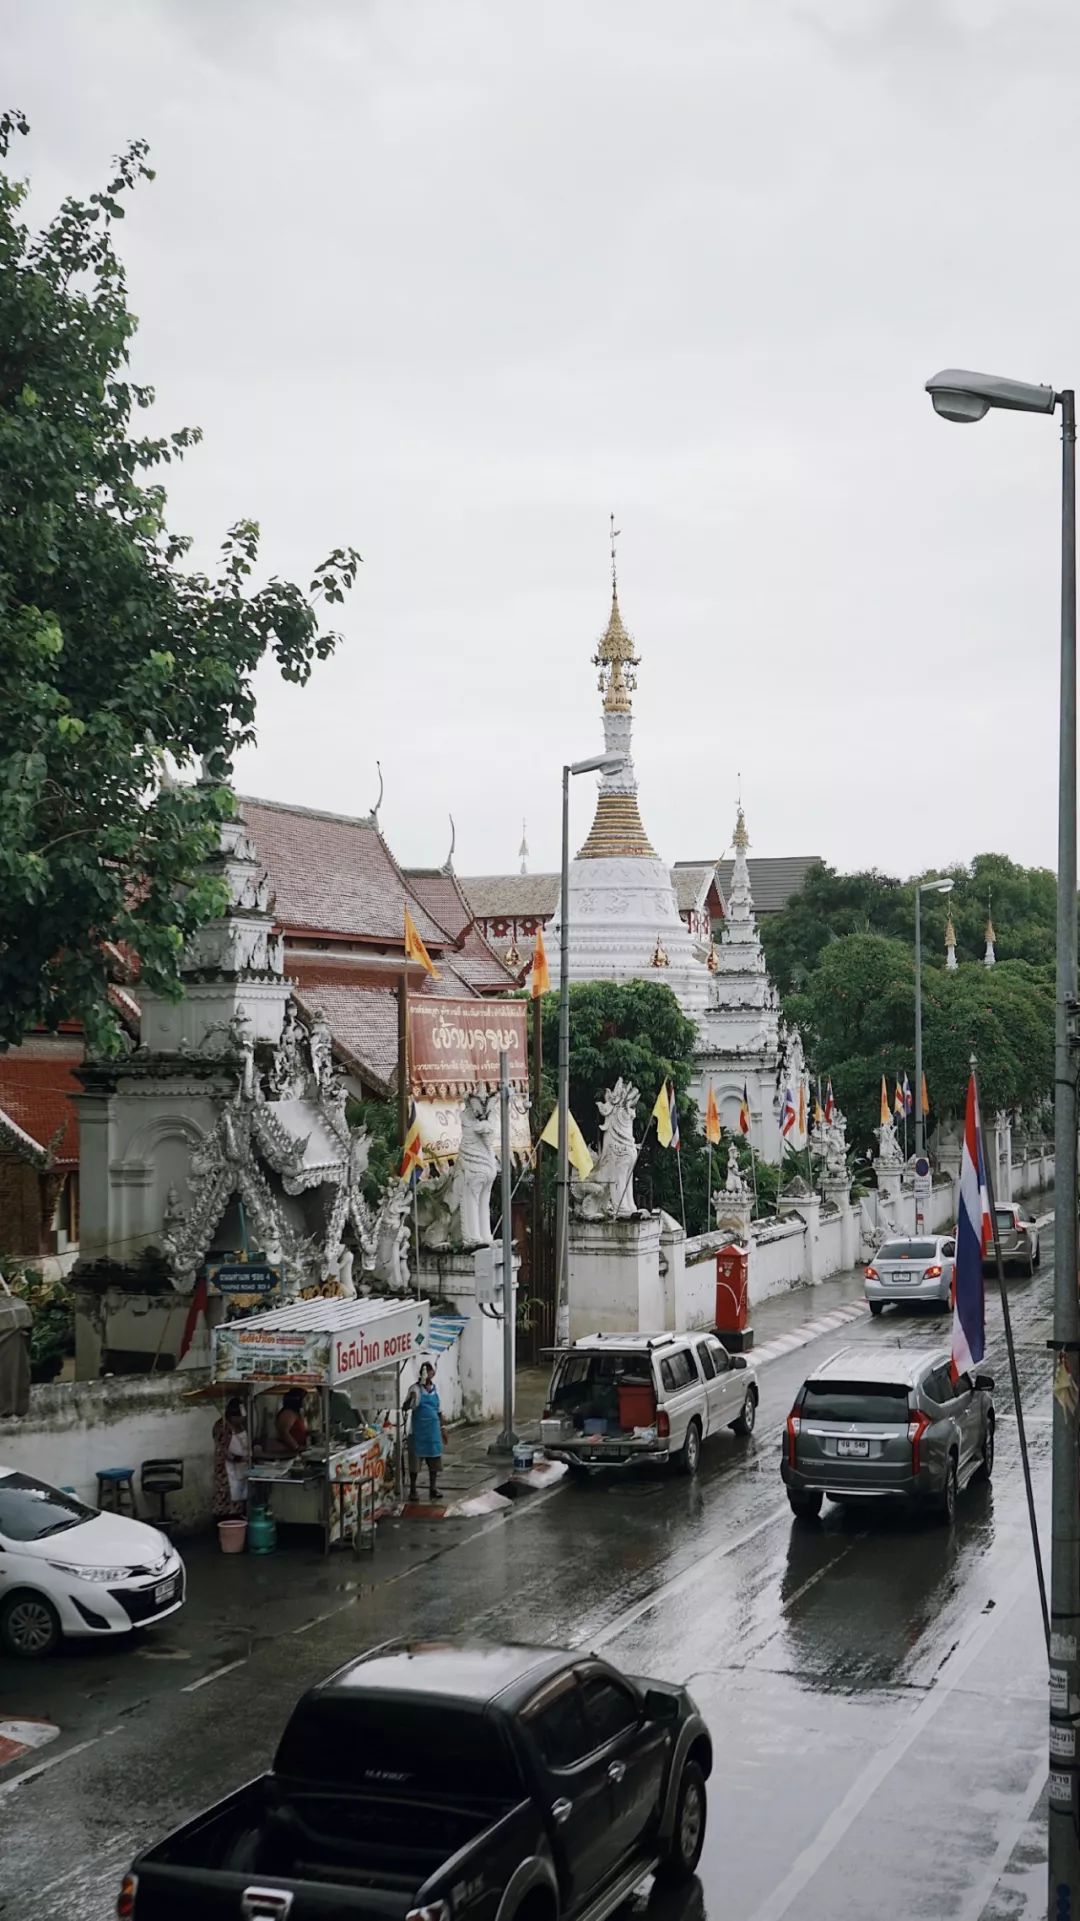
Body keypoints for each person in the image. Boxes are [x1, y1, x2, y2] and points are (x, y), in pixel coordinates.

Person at [404, 1362, 446, 1503]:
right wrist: (411, 1399)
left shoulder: (436, 1389)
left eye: (430, 1371)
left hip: (433, 1432)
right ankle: (413, 1490)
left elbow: (439, 1411)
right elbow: (405, 1407)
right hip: (418, 1432)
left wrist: (443, 1429)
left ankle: (433, 1488)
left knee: (434, 1461)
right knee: (415, 1463)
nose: (428, 1374)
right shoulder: (415, 1389)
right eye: (425, 1371)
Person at [212, 1397, 249, 1518]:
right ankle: (225, 1521)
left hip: (241, 1467)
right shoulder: (222, 1427)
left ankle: (238, 1518)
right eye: (239, 1417)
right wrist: (239, 1459)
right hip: (227, 1469)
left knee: (240, 1496)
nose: (241, 1420)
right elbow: (222, 1450)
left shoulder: (240, 1425)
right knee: (227, 1497)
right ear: (232, 1416)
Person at [275, 1388, 310, 1456]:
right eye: (305, 1399)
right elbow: (284, 1432)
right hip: (289, 1452)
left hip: (297, 1451)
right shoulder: (288, 1413)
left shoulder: (297, 1413)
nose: (306, 1402)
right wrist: (296, 1447)